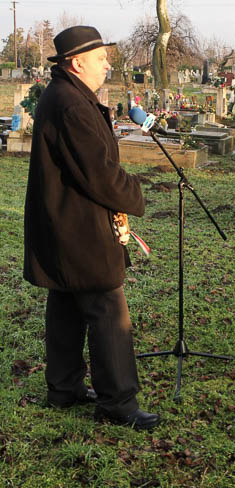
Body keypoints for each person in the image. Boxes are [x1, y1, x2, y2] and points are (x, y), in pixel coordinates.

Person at [23, 25, 160, 431]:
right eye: (100, 58)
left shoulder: (65, 95)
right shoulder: (71, 104)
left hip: (63, 222)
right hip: (78, 226)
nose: (106, 64)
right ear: (77, 63)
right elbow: (97, 173)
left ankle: (64, 388)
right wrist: (134, 193)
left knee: (66, 301)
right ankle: (118, 402)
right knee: (107, 306)